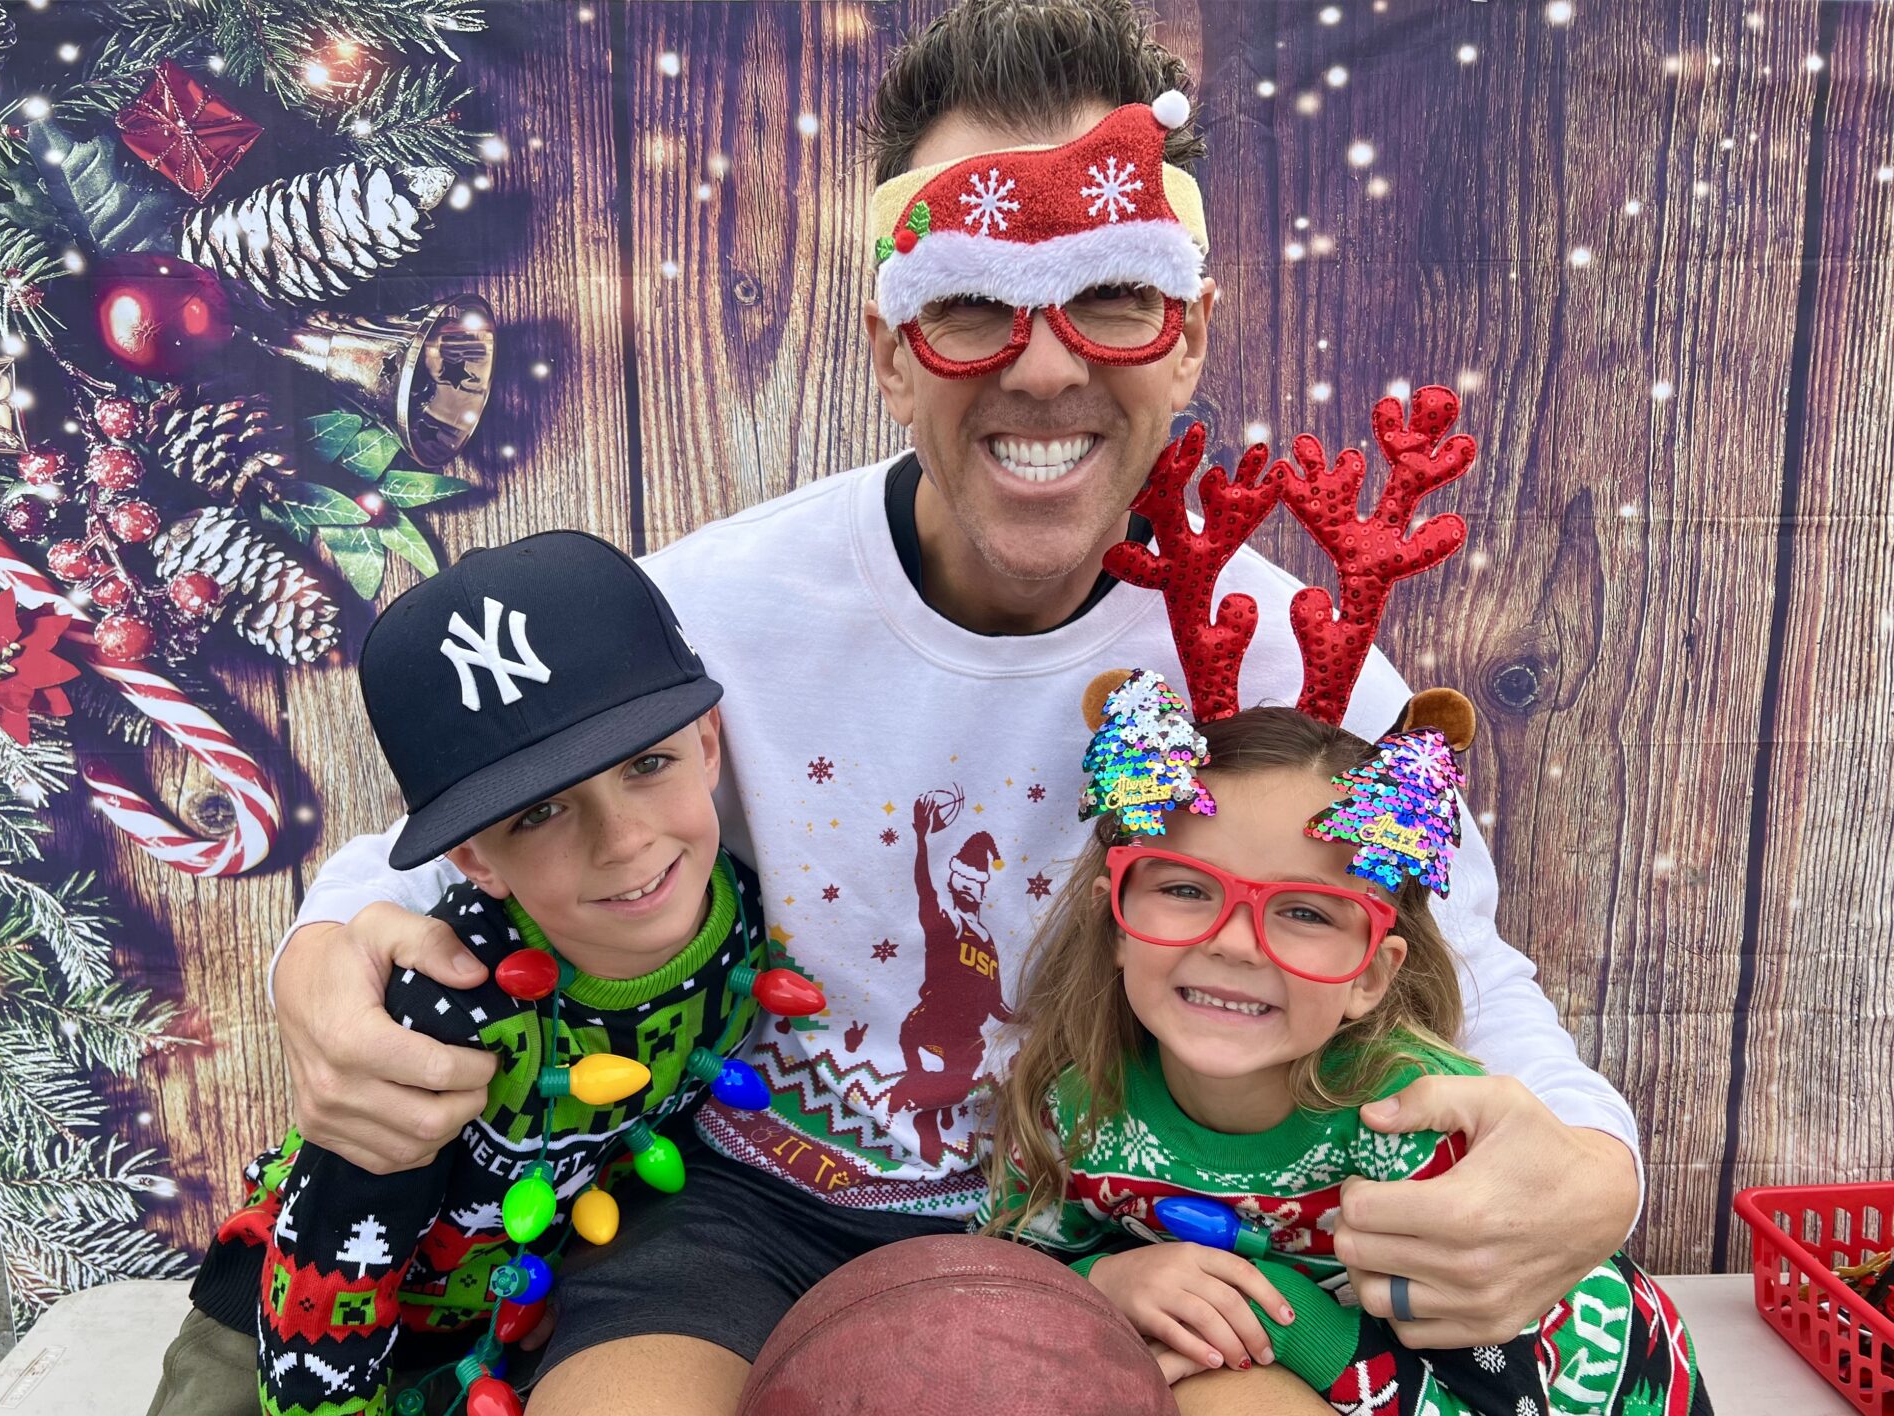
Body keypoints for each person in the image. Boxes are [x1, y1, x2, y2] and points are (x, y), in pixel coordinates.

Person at [265, 4, 1645, 1412]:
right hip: (742, 1212)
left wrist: (1595, 1170)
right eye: (974, 304)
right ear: (891, 348)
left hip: (1128, 1224)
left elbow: (1459, 964)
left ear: (1187, 338)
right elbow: (458, 837)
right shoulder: (715, 611)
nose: (1044, 368)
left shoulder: (1289, 662)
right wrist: (320, 959)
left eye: (1113, 294)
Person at [976, 437, 1707, 1410]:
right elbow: (1011, 1272)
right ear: (1116, 919)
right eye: (1185, 890)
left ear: (1372, 971)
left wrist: (1287, 1320)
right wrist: (1107, 1283)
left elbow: (1505, 1389)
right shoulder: (1074, 1108)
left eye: (1306, 912)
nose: (1232, 941)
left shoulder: (1423, 1132)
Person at [148, 532, 806, 1416]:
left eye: (648, 764)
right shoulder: (451, 1004)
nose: (624, 842)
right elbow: (334, 1250)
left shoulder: (746, 923)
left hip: (495, 1336)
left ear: (710, 745)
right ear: (473, 858)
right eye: (542, 812)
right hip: (298, 1319)